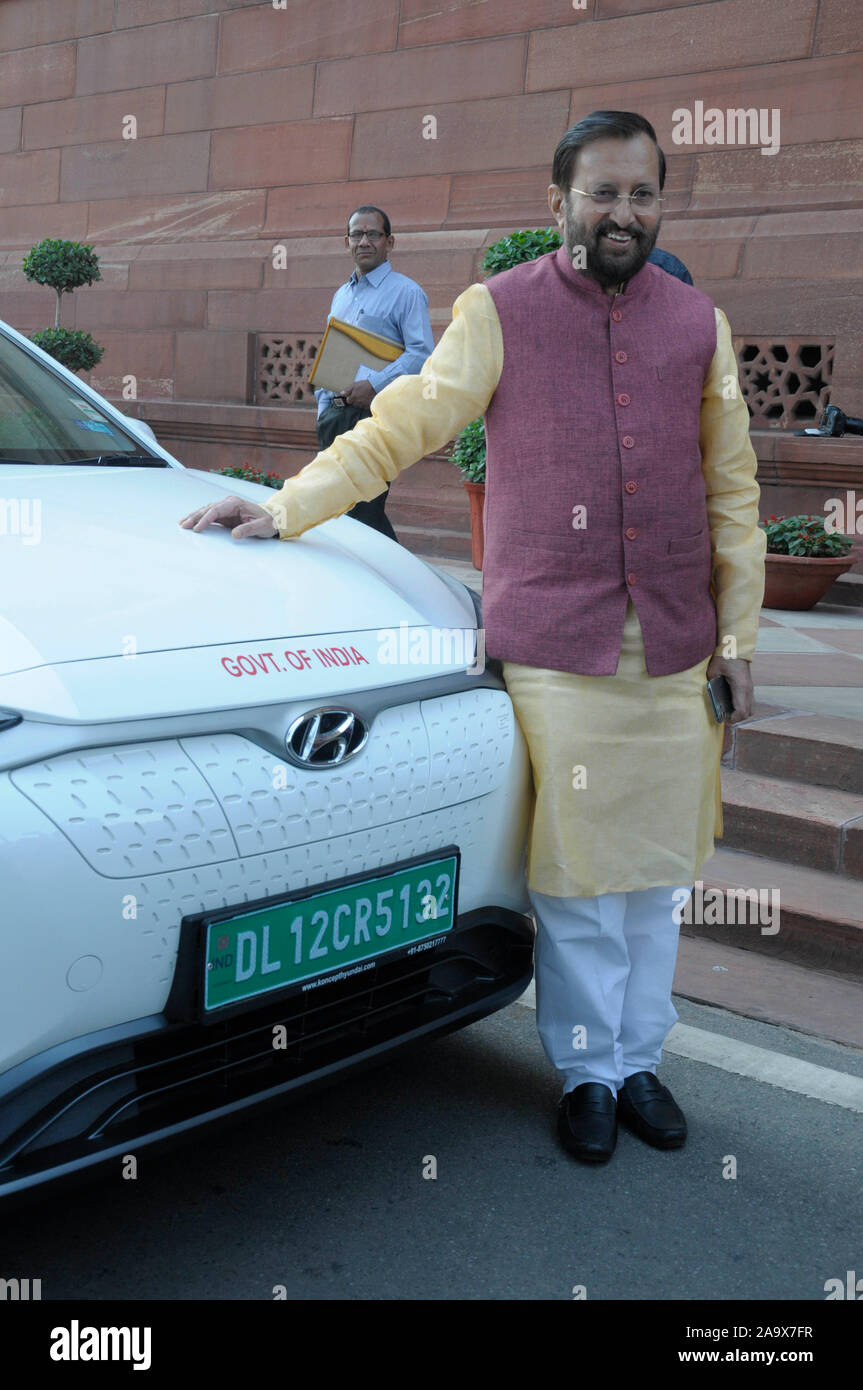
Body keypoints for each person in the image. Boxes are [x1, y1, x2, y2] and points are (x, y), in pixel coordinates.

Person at [180, 111, 765, 1165]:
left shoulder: (697, 323)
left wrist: (740, 640)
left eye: (640, 194)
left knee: (654, 878)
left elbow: (732, 488)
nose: (622, 212)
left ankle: (641, 1060)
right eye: (602, 192)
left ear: (658, 204)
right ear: (559, 203)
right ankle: (587, 1073)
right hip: (559, 646)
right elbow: (403, 420)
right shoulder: (499, 310)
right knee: (575, 878)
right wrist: (286, 505)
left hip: (677, 647)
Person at [312, 205, 434, 541]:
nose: (364, 241)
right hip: (334, 416)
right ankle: (392, 568)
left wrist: (374, 385)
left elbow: (421, 355)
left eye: (372, 234)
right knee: (342, 509)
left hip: (374, 415)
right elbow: (332, 355)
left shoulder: (407, 292)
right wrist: (323, 411)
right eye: (356, 235)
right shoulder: (341, 295)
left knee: (363, 509)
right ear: (347, 242)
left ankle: (391, 570)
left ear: (389, 242)